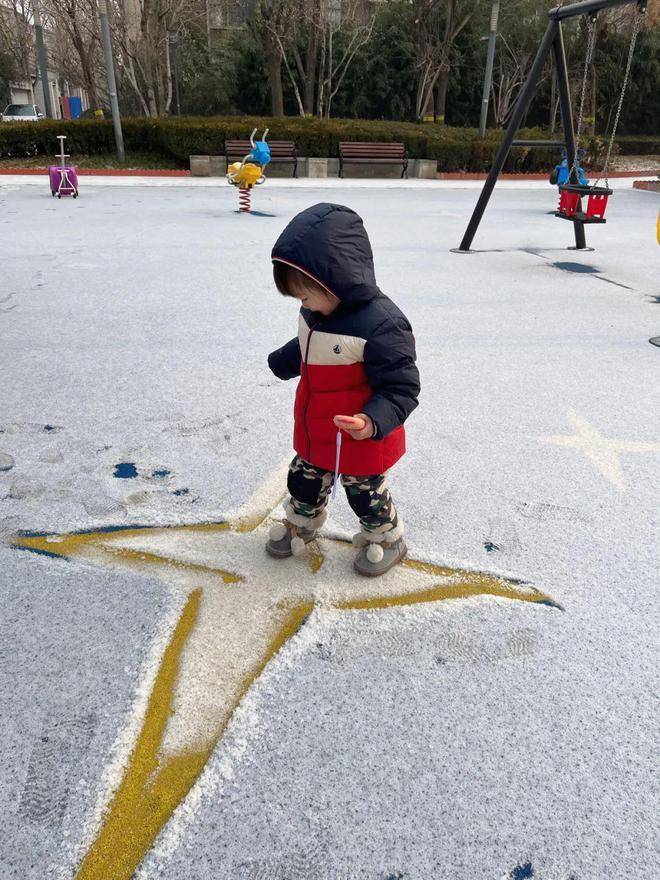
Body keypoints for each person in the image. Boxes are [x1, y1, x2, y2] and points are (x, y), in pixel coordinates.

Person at [266, 203, 420, 577]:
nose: (302, 304)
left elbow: (402, 386)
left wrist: (371, 421)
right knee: (303, 480)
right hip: (316, 429)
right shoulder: (316, 313)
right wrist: (285, 360)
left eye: (304, 295)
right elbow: (308, 344)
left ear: (333, 280)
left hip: (360, 436)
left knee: (364, 494)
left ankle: (385, 536)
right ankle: (302, 520)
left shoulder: (383, 325)